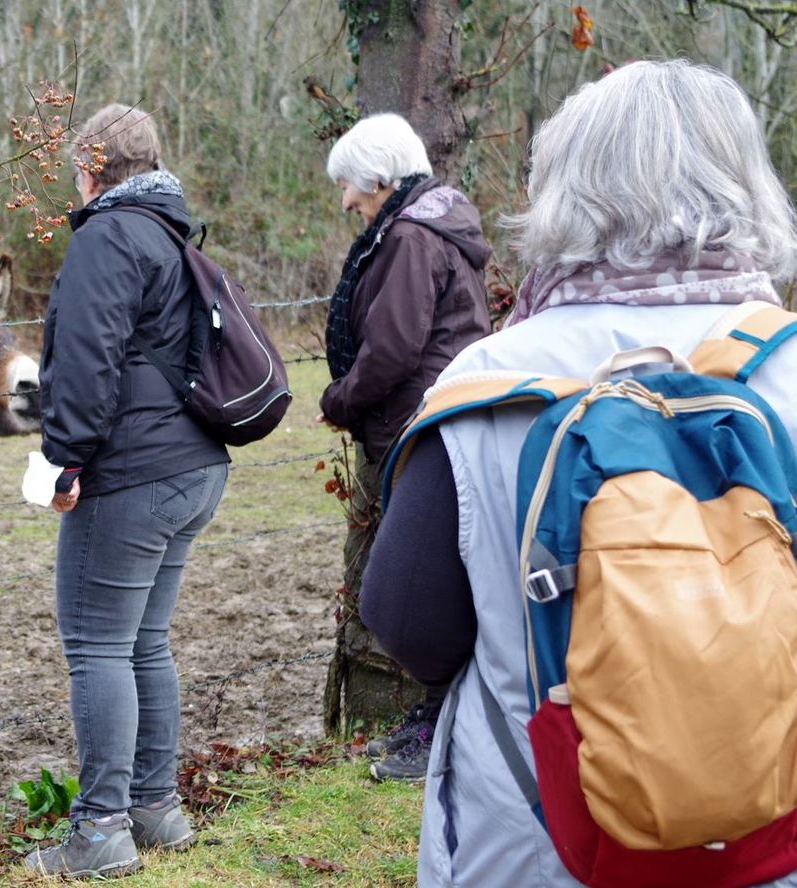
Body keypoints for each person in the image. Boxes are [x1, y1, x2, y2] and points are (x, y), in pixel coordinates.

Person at [362, 60, 797, 886]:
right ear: (745, 181)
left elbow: (407, 621)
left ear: (564, 189)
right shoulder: (789, 366)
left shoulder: (484, 379)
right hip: (771, 836)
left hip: (530, 841)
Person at [26, 103, 230, 879]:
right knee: (145, 641)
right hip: (192, 465)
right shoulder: (171, 230)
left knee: (98, 645)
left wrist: (63, 464)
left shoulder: (107, 235)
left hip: (133, 475)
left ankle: (101, 831)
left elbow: (86, 362)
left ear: (90, 167)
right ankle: (155, 809)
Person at [317, 113, 492, 782]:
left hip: (422, 428)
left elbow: (392, 350)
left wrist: (340, 400)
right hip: (439, 421)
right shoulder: (429, 227)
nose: (346, 202)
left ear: (379, 179)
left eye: (348, 186)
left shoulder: (412, 237)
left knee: (420, 590)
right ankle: (440, 720)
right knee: (442, 580)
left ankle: (443, 731)